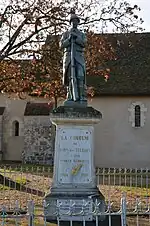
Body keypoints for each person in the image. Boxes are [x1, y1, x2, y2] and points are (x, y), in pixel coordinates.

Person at [60, 13, 87, 103]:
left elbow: (84, 44)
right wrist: (69, 39)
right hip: (68, 56)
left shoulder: (81, 34)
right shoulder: (66, 34)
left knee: (80, 75)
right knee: (70, 76)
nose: (74, 23)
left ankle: (81, 96)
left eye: (76, 21)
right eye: (73, 21)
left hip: (78, 56)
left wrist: (76, 38)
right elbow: (61, 45)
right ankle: (70, 96)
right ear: (70, 22)